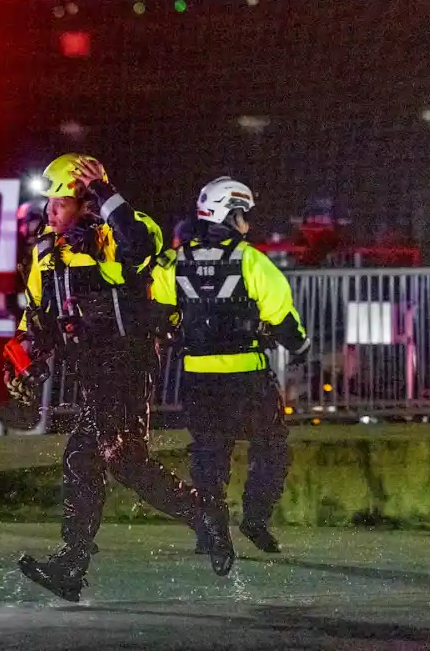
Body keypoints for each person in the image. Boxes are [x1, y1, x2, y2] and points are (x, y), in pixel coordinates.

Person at [7, 153, 213, 602]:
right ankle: (203, 517)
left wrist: (104, 190)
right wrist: (20, 357)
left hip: (126, 362)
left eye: (60, 203)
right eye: (49, 204)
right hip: (92, 370)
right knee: (113, 460)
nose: (50, 212)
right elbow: (37, 314)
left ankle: (73, 562)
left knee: (98, 458)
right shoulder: (46, 252)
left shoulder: (116, 235)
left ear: (85, 202)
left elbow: (140, 246)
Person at [151, 177, 309, 576]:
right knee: (272, 448)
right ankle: (255, 519)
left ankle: (212, 532)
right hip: (247, 378)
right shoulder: (251, 261)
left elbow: (159, 313)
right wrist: (302, 349)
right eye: (243, 215)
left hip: (197, 379)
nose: (247, 224)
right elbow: (284, 321)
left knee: (208, 456)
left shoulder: (174, 261)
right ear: (230, 214)